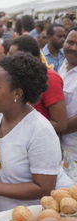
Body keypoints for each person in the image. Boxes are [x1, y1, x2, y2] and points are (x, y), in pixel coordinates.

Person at [0, 53, 73, 213]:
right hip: (1, 215)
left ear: (18, 93)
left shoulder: (40, 131)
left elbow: (44, 187)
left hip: (31, 218)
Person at [8, 35, 67, 134]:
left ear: (31, 58)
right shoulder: (18, 76)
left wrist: (21, 128)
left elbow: (60, 124)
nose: (9, 61)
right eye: (8, 55)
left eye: (14, 57)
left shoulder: (50, 78)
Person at [59, 27, 77, 182]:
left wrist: (57, 129)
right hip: (62, 147)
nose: (73, 47)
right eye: (70, 42)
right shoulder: (63, 65)